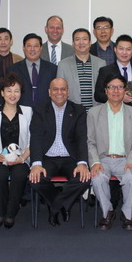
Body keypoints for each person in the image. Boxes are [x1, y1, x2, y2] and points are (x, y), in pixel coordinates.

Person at [29, 78, 90, 226]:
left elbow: (82, 138)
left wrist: (82, 163)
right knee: (36, 179)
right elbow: (35, 137)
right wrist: (36, 164)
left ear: (68, 92)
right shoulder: (39, 109)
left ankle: (55, 206)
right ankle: (63, 205)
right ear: (49, 92)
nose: (59, 92)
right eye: (55, 89)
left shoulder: (78, 110)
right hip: (48, 158)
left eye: (63, 89)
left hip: (70, 158)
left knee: (84, 178)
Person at [88, 74, 132, 230]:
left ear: (125, 91)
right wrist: (95, 162)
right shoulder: (93, 113)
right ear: (106, 91)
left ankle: (127, 213)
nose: (116, 91)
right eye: (112, 87)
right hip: (102, 159)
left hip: (126, 159)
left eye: (120, 87)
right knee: (97, 178)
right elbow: (90, 141)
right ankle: (108, 211)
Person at [0, 74, 32, 229]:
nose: (13, 94)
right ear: (2, 93)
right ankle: (0, 212)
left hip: (21, 157)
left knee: (19, 175)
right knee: (0, 175)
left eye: (16, 91)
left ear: (21, 93)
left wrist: (23, 158)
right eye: (9, 90)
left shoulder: (28, 111)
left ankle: (11, 213)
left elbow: (32, 141)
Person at [57, 28, 106, 111]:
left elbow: (104, 91)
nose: (81, 42)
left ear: (90, 42)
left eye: (84, 39)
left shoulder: (101, 63)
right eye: (77, 39)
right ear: (73, 43)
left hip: (96, 112)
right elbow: (60, 91)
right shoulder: (63, 65)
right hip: (72, 113)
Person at [94, 34, 132, 106]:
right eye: (121, 49)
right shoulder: (105, 71)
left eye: (128, 49)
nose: (124, 52)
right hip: (113, 110)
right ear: (115, 49)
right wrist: (119, 97)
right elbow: (98, 95)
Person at [8, 33, 57, 107]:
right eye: (29, 46)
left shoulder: (52, 69)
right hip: (21, 110)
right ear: (24, 48)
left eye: (36, 46)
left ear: (41, 48)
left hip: (46, 110)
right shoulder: (13, 69)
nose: (32, 49)